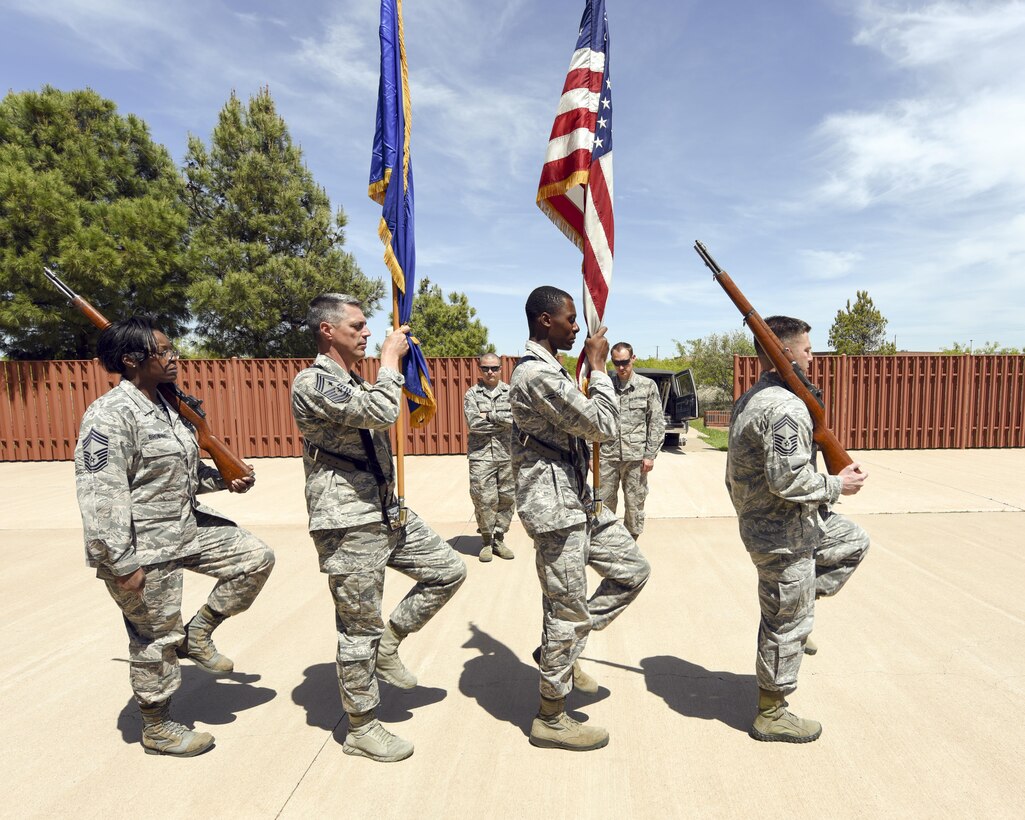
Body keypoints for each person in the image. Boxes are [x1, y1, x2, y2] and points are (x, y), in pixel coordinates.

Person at [74, 317, 275, 758]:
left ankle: (198, 632)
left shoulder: (168, 406)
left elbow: (171, 475)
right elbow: (100, 498)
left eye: (171, 349)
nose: (174, 357)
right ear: (131, 360)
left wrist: (224, 478)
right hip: (142, 546)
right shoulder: (109, 415)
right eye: (164, 351)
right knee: (155, 638)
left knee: (256, 559)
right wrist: (120, 564)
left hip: (186, 527)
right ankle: (157, 725)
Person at [291, 293, 467, 763]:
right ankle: (362, 727)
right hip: (347, 520)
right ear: (328, 331)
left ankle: (390, 644)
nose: (368, 333)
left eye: (368, 327)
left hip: (384, 510)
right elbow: (378, 412)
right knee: (357, 629)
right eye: (358, 326)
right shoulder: (313, 381)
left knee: (448, 570)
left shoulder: (352, 379)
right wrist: (390, 359)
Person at [510, 285, 651, 752]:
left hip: (578, 498)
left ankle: (561, 649)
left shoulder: (551, 369)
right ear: (545, 321)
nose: (579, 326)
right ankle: (550, 715)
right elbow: (604, 426)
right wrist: (597, 367)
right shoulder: (536, 375)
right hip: (555, 508)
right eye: (571, 319)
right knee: (566, 609)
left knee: (632, 571)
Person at [725, 315, 870, 743]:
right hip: (780, 533)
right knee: (785, 621)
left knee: (853, 541)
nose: (813, 355)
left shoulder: (759, 395)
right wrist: (837, 484)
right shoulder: (784, 407)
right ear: (784, 352)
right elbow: (786, 479)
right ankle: (771, 712)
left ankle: (799, 609)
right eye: (807, 348)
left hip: (789, 524)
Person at [599, 342, 666, 541]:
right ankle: (607, 541)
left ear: (633, 359)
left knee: (635, 503)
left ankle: (631, 542)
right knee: (603, 502)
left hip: (636, 458)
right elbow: (593, 420)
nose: (621, 367)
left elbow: (655, 421)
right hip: (607, 456)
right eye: (617, 363)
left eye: (625, 362)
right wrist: (590, 454)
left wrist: (650, 455)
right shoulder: (604, 386)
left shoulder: (647, 386)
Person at [463, 352, 515, 562]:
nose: (490, 372)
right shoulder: (472, 394)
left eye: (494, 368)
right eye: (486, 368)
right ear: (480, 369)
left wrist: (491, 416)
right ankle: (486, 540)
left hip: (507, 454)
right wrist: (502, 422)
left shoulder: (511, 393)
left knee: (507, 498)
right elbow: (474, 424)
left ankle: (499, 539)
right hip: (481, 456)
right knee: (483, 499)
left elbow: (516, 421)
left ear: (501, 369)